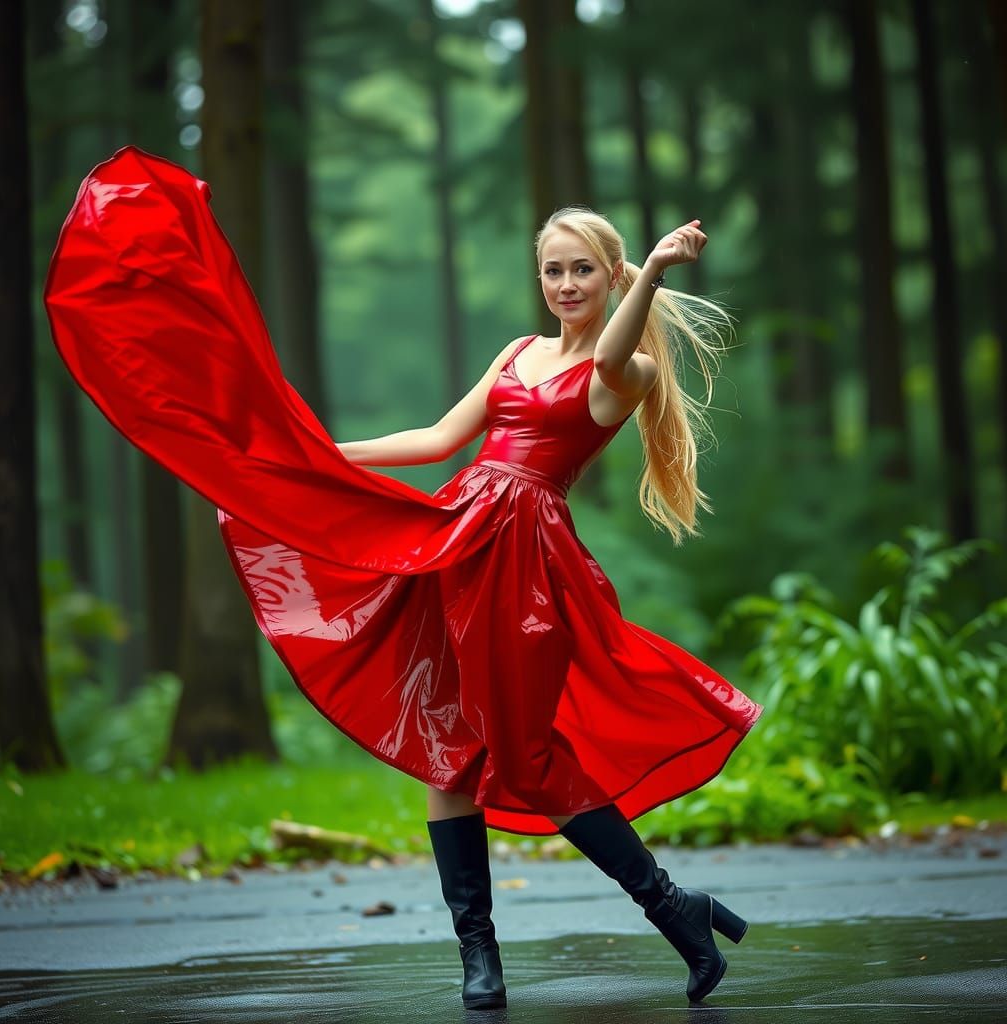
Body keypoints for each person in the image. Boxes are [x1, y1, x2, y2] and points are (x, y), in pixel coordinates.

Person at [44, 148, 764, 1012]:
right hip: (458, 546)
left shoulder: (629, 371)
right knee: (447, 746)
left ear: (610, 276)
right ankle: (480, 955)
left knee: (529, 761)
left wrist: (651, 268)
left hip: (529, 569)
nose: (565, 284)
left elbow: (610, 362)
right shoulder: (517, 351)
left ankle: (674, 907)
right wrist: (311, 460)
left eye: (583, 270)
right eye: (552, 270)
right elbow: (436, 437)